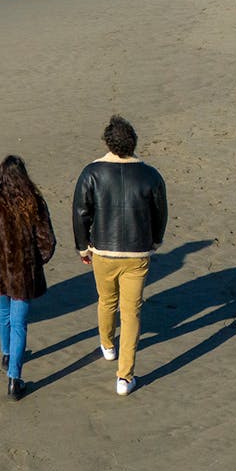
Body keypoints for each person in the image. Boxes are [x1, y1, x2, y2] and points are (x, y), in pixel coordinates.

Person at [73, 115, 167, 396]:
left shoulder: (92, 172)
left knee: (106, 300)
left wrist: (83, 246)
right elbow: (160, 213)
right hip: (137, 253)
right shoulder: (151, 174)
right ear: (133, 142)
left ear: (108, 142)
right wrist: (155, 240)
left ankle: (107, 345)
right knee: (131, 312)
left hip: (103, 250)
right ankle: (125, 376)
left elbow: (81, 212)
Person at [0, 155, 55, 400]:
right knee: (18, 323)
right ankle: (14, 379)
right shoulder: (34, 203)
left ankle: (7, 354)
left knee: (4, 313)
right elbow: (47, 243)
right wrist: (34, 264)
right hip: (22, 276)